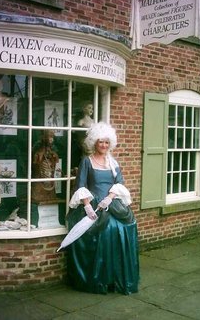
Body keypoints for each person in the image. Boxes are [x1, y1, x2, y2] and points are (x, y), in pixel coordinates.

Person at [67, 122, 139, 295]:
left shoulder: (113, 163)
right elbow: (81, 185)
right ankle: (100, 280)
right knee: (104, 233)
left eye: (107, 142)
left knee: (123, 228)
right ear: (94, 143)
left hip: (110, 202)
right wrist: (87, 207)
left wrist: (109, 198)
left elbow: (119, 183)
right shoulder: (87, 161)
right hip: (92, 203)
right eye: (101, 142)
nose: (104, 145)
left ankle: (116, 279)